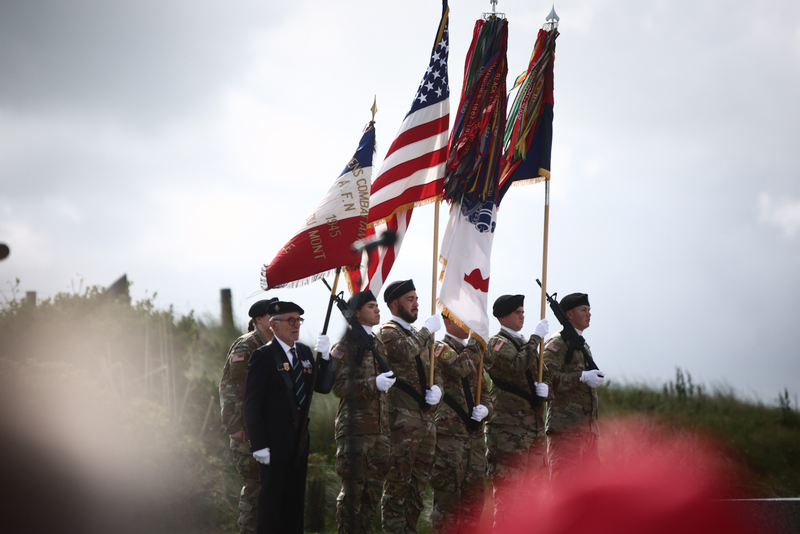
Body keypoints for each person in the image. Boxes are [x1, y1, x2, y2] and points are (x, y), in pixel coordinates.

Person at [242, 300, 334, 534]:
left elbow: (322, 386)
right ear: (273, 325)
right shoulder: (263, 356)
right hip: (272, 446)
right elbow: (251, 405)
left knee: (294, 509)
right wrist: (259, 444)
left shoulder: (303, 351)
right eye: (290, 320)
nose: (296, 325)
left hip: (299, 443)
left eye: (299, 320)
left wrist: (324, 358)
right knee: (271, 510)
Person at [375, 279, 444, 534]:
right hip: (401, 423)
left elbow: (434, 372)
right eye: (410, 299)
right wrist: (427, 330)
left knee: (418, 489)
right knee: (398, 487)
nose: (416, 304)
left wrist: (439, 390)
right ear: (395, 303)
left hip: (425, 422)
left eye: (416, 299)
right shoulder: (388, 331)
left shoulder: (420, 335)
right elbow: (406, 352)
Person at [329, 290, 396, 534]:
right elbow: (337, 387)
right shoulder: (345, 345)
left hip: (380, 431)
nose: (377, 309)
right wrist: (372, 385)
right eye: (371, 306)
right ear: (356, 313)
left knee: (372, 497)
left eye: (377, 305)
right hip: (355, 431)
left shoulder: (376, 342)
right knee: (352, 498)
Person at [483, 294, 550, 531]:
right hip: (508, 430)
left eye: (523, 312)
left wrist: (544, 388)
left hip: (532, 428)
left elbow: (542, 373)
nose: (522, 316)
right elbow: (516, 367)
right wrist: (535, 339)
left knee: (531, 498)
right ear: (503, 316)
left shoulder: (523, 343)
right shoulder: (498, 343)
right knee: (509, 498)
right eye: (517, 313)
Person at [219, 297, 277, 534]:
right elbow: (231, 387)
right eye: (271, 315)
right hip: (246, 432)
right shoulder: (247, 345)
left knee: (269, 492)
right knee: (254, 491)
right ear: (258, 320)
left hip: (266, 430)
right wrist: (234, 426)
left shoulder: (275, 345)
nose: (276, 319)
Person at [429, 316, 493, 534]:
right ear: (448, 321)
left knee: (474, 502)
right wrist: (477, 341)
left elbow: (485, 392)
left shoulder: (474, 355)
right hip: (450, 436)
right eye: (461, 319)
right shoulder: (439, 348)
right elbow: (459, 367)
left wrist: (486, 409)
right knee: (448, 502)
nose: (467, 324)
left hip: (474, 438)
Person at [542, 292, 605, 487]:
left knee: (589, 497)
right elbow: (548, 380)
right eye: (583, 310)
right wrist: (582, 377)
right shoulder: (557, 344)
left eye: (589, 310)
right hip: (566, 433)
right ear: (568, 314)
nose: (589, 314)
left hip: (587, 433)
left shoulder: (581, 344)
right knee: (565, 493)